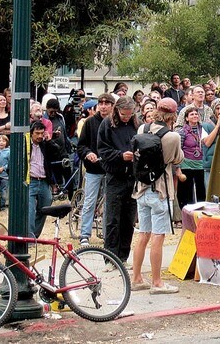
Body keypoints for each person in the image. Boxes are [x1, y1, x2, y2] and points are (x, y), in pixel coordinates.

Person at [131, 98, 184, 295]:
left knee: (143, 234)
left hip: (141, 188)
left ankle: (136, 278)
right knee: (158, 237)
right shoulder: (172, 137)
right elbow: (176, 159)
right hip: (161, 190)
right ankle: (157, 282)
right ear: (173, 115)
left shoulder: (142, 129)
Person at [97, 96, 139, 267]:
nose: (126, 117)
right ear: (116, 110)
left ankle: (123, 256)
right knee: (113, 219)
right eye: (123, 114)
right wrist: (120, 156)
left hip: (133, 176)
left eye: (129, 114)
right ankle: (110, 258)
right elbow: (103, 151)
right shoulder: (107, 125)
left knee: (129, 219)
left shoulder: (135, 124)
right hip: (115, 176)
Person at [76, 93, 115, 246]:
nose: (103, 106)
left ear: (112, 106)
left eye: (107, 103)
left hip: (110, 168)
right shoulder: (90, 122)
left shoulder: (115, 122)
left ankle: (107, 234)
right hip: (93, 169)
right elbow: (81, 145)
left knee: (109, 203)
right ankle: (85, 234)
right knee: (89, 201)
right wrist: (88, 153)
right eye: (101, 103)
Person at [177, 106, 215, 207]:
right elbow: (179, 149)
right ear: (186, 118)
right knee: (187, 191)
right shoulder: (182, 131)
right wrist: (179, 166)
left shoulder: (203, 129)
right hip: (186, 164)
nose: (195, 116)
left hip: (200, 164)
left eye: (196, 114)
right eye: (192, 114)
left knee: (201, 191)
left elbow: (206, 142)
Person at [25, 121, 58, 237]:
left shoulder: (45, 145)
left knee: (44, 208)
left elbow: (57, 151)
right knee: (29, 210)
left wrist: (49, 140)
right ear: (31, 133)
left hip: (44, 181)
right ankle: (29, 237)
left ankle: (34, 235)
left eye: (41, 133)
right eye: (37, 133)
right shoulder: (26, 145)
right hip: (31, 180)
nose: (39, 136)